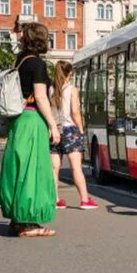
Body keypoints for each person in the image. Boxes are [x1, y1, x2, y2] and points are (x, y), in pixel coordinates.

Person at [0, 23, 61, 237]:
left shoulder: (20, 61)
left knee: (18, 167)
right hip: (33, 119)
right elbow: (41, 97)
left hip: (18, 120)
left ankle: (17, 220)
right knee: (33, 170)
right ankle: (30, 224)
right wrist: (53, 125)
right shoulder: (38, 64)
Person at [50, 61, 98, 210]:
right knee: (76, 168)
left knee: (54, 168)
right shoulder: (71, 89)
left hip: (54, 131)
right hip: (70, 130)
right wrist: (81, 130)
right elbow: (75, 112)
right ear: (69, 73)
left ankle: (55, 199)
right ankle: (84, 199)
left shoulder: (51, 89)